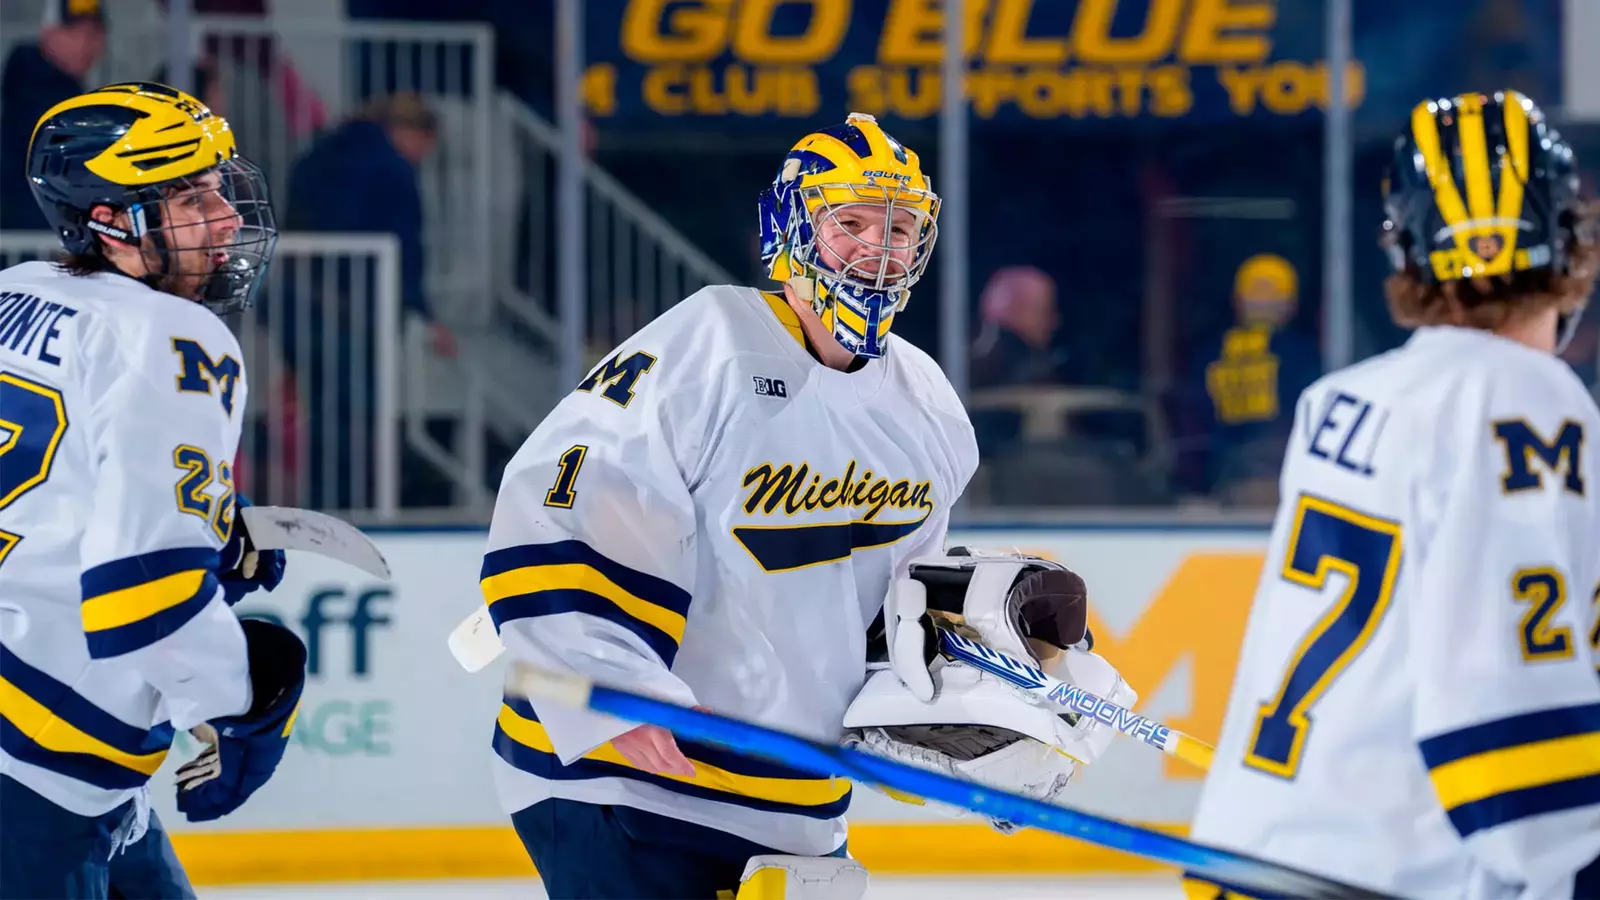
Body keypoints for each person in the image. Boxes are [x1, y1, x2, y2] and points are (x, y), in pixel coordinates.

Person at [475, 112, 1132, 899]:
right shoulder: (707, 344)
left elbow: (889, 613)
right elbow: (561, 503)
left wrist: (969, 690)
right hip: (625, 783)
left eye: (898, 227)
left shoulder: (926, 404)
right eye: (849, 222)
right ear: (792, 229)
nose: (876, 248)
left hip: (798, 806)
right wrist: (613, 685)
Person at [1186, 90, 1600, 898]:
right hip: (1396, 874)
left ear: (1405, 246)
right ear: (1567, 242)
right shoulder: (1526, 401)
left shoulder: (1344, 400)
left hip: (1253, 853)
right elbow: (1504, 708)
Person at [0, 81, 305, 898]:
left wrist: (197, 518)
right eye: (192, 196)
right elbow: (142, 601)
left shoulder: (15, 292)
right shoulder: (175, 335)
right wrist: (248, 694)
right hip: (39, 773)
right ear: (110, 223)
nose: (229, 218)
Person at [0, 0, 106, 230]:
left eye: (95, 34)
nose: (88, 44)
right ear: (49, 34)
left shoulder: (68, 94)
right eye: (76, 33)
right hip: (26, 234)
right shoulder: (32, 88)